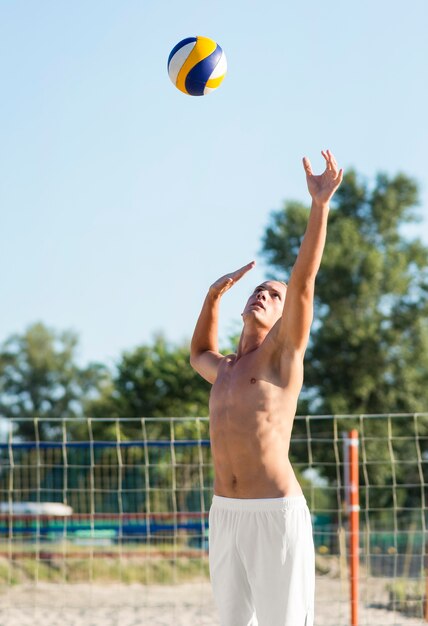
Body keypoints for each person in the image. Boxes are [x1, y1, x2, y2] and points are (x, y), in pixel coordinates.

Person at [190, 150, 343, 626]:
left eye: (273, 295)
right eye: (260, 290)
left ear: (284, 317)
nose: (266, 294)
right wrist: (212, 297)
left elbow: (302, 282)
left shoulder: (282, 356)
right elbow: (198, 353)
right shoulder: (228, 368)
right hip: (225, 514)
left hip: (275, 513)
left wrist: (319, 206)